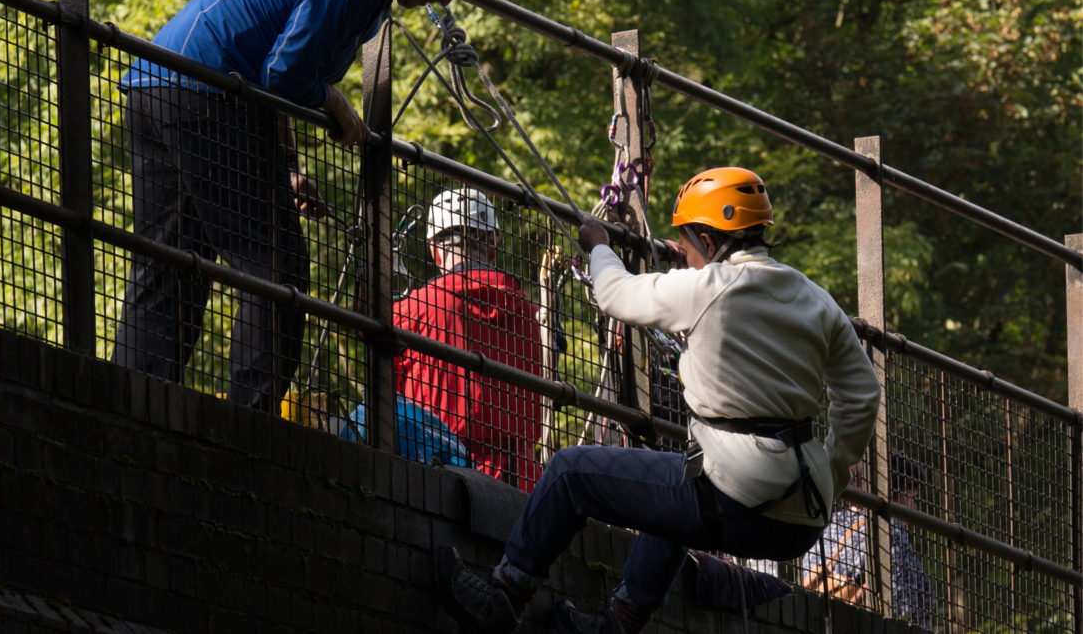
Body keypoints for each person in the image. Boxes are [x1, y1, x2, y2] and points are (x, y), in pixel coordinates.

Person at [430, 167, 882, 634]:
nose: (685, 258)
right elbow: (862, 395)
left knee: (568, 472)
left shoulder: (708, 288)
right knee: (673, 492)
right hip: (803, 516)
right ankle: (619, 623)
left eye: (686, 246)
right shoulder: (816, 298)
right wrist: (832, 469)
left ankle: (503, 597)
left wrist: (599, 244)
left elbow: (615, 293)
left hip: (738, 496)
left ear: (709, 240)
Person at [110, 0, 487, 412]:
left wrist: (286, 165)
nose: (444, 2)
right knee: (276, 265)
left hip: (155, 83)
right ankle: (252, 429)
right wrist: (333, 102)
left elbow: (276, 65)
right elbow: (283, 73)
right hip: (203, 93)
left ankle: (127, 406)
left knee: (171, 263)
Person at [392, 188, 545, 492]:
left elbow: (388, 395)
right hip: (521, 483)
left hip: (435, 479)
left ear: (435, 251)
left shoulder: (412, 311)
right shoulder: (530, 313)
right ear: (491, 246)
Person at [801, 452, 937, 629]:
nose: (914, 506)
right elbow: (901, 601)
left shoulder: (830, 525)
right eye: (912, 496)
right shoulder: (889, 530)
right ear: (894, 492)